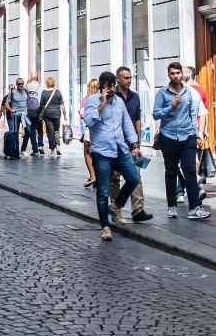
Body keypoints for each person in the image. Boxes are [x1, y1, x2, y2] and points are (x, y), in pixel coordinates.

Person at [83, 71, 144, 242]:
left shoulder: (119, 102)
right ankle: (105, 227)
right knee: (103, 190)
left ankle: (116, 205)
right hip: (101, 151)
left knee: (134, 177)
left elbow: (127, 124)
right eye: (107, 86)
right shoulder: (92, 101)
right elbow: (89, 122)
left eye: (112, 86)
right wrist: (101, 104)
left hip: (120, 149)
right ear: (101, 87)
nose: (110, 89)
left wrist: (134, 145)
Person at [152, 61, 209, 220]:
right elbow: (155, 114)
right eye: (172, 73)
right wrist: (171, 106)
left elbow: (193, 113)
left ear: (181, 74)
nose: (176, 76)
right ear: (168, 75)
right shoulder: (162, 93)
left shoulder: (189, 92)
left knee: (190, 171)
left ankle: (194, 208)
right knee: (170, 172)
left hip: (187, 136)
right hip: (169, 136)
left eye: (178, 73)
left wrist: (196, 134)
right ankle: (171, 206)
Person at [110, 67, 152, 222]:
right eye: (125, 78)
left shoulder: (135, 97)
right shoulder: (112, 96)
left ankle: (138, 210)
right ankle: (117, 209)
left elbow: (137, 119)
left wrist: (138, 142)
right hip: (115, 144)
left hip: (133, 144)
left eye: (130, 78)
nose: (129, 80)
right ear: (118, 79)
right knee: (114, 178)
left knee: (136, 176)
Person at [37, 77, 65, 156]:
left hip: (48, 114)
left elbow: (42, 104)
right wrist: (65, 115)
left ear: (47, 83)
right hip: (57, 114)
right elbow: (62, 104)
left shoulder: (44, 92)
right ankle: (58, 148)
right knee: (56, 131)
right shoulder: (58, 92)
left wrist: (39, 114)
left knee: (50, 132)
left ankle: (52, 150)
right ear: (53, 83)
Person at [3, 77, 29, 157]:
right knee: (15, 133)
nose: (21, 85)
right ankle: (16, 152)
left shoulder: (25, 91)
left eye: (22, 83)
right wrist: (11, 110)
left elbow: (28, 100)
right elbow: (6, 103)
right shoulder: (13, 92)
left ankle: (23, 149)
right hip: (16, 115)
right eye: (19, 84)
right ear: (16, 84)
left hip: (24, 115)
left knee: (29, 131)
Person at [24, 75, 44, 155]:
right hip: (38, 110)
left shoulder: (27, 86)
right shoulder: (40, 86)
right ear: (38, 79)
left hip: (29, 110)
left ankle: (34, 149)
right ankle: (40, 146)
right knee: (40, 129)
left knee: (32, 129)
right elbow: (42, 100)